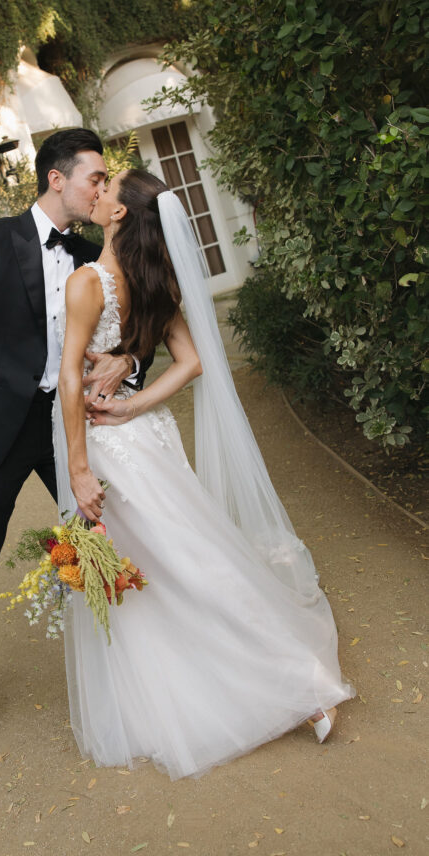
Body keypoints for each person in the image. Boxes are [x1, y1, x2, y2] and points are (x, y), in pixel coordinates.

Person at [56, 168, 355, 781]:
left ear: (118, 216)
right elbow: (189, 362)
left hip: (116, 451)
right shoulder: (150, 280)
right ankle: (215, 678)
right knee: (160, 569)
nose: (97, 189)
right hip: (148, 439)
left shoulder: (88, 282)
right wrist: (137, 405)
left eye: (106, 186)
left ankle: (304, 684)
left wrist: (82, 465)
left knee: (190, 563)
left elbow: (68, 379)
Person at [0, 129, 146, 753]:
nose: (101, 189)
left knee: (104, 534)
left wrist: (126, 363)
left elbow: (136, 332)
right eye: (94, 179)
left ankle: (131, 672)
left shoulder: (91, 254)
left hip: (69, 424)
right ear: (57, 178)